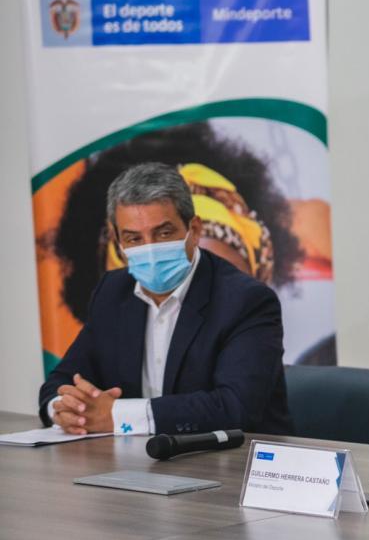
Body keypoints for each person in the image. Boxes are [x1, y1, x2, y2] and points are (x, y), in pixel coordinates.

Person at [38, 162, 293, 436]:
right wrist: (65, 410)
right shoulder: (112, 292)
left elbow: (236, 407)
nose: (149, 249)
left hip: (232, 467)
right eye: (134, 238)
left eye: (164, 232)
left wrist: (117, 416)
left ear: (194, 230)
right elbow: (61, 381)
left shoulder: (246, 301)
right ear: (118, 241)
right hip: (137, 465)